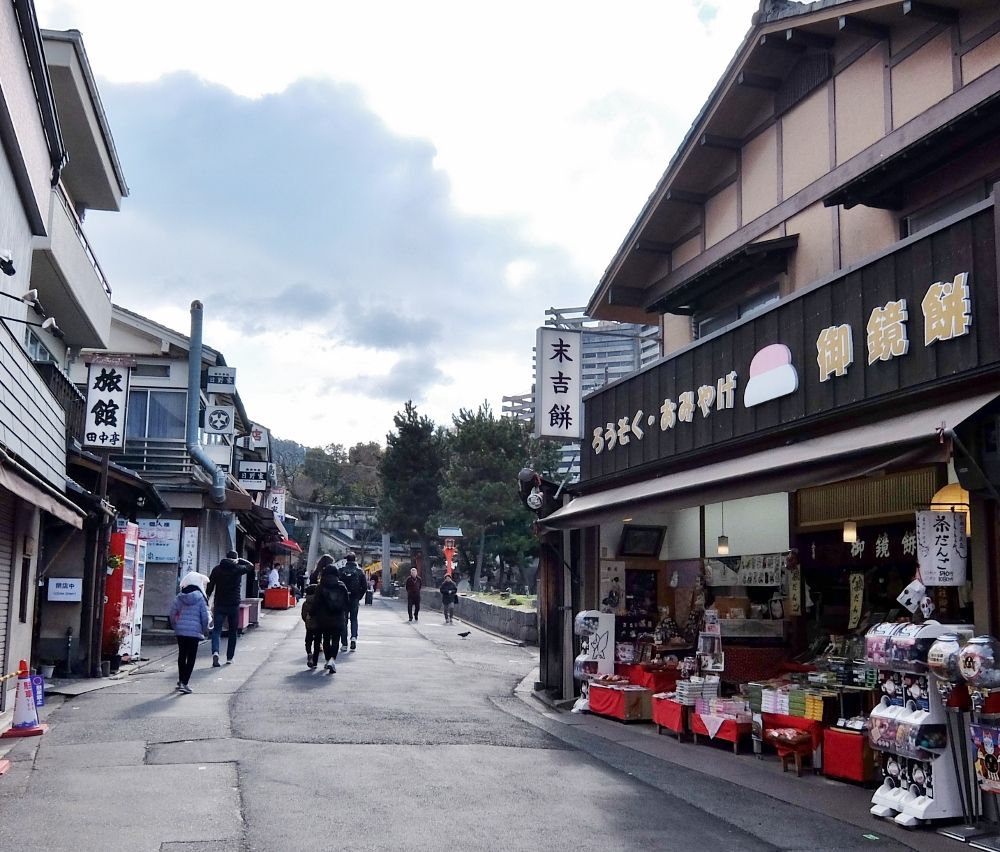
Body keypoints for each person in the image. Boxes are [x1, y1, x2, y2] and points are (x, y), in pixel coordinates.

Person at [206, 550, 254, 667]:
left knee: (216, 631)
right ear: (235, 559)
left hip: (220, 604)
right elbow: (251, 566)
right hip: (233, 605)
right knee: (233, 631)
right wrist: (240, 560)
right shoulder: (238, 569)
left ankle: (216, 652)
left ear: (226, 557)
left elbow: (210, 587)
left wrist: (207, 600)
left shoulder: (217, 569)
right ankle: (229, 658)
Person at [169, 572, 210, 694]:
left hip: (181, 631)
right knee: (191, 657)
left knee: (182, 655)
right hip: (194, 632)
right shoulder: (200, 598)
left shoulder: (180, 597)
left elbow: (172, 613)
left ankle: (181, 680)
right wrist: (203, 630)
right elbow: (204, 617)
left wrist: (175, 626)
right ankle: (184, 683)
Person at [312, 562, 350, 673]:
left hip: (323, 619)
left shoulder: (320, 587)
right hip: (338, 618)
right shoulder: (341, 586)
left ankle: (328, 659)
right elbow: (346, 603)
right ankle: (332, 660)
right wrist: (345, 615)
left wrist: (312, 614)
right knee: (336, 640)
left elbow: (316, 604)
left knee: (326, 639)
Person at [339, 552, 367, 651]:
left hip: (343, 599)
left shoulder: (341, 571)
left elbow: (337, 584)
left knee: (344, 620)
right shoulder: (360, 571)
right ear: (355, 560)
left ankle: (344, 644)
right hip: (355, 598)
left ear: (347, 560)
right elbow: (365, 586)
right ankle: (354, 638)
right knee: (354, 619)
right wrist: (359, 596)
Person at [300, 583, 321, 669]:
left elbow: (303, 615)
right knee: (317, 642)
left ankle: (309, 653)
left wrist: (307, 621)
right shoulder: (320, 602)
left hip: (309, 626)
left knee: (308, 641)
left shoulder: (306, 603)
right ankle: (315, 661)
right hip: (319, 625)